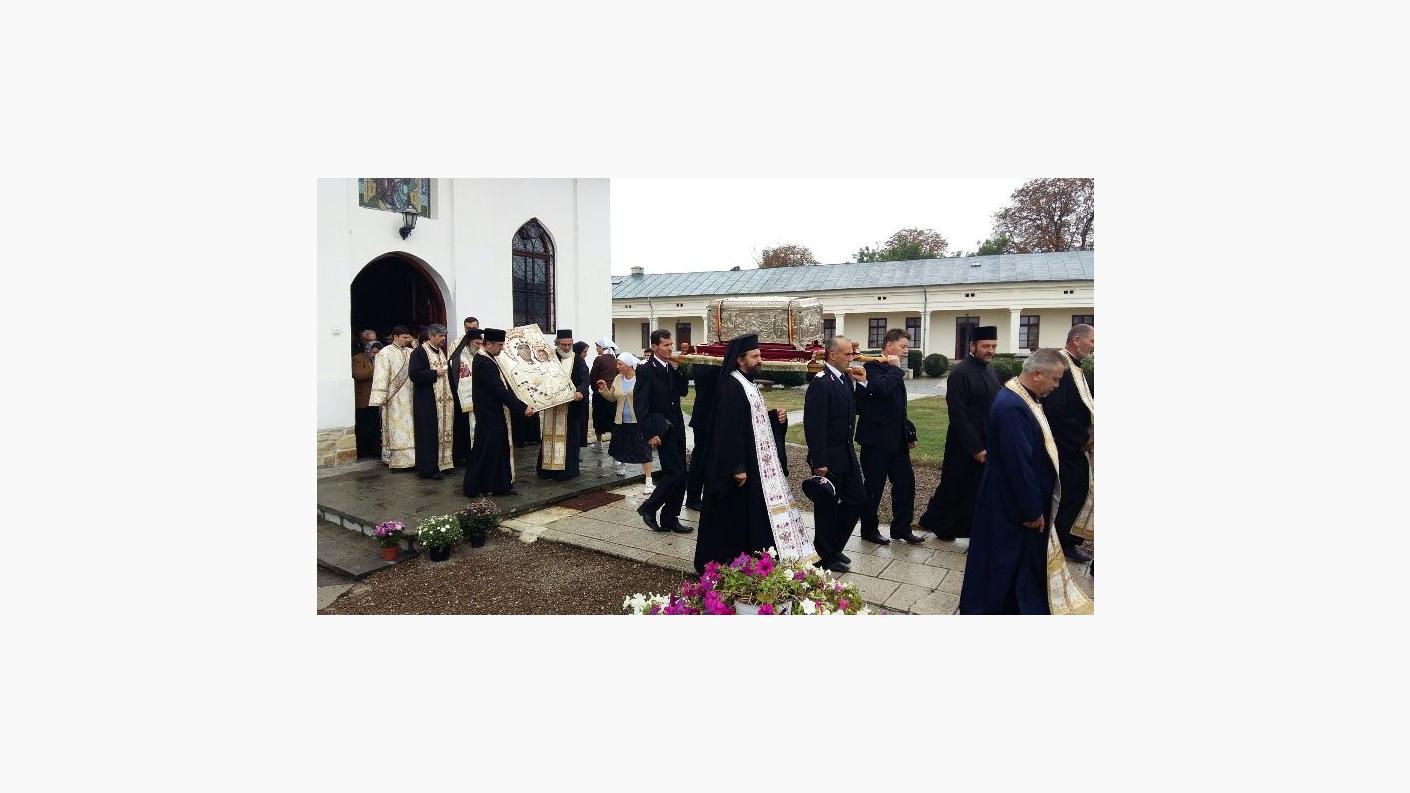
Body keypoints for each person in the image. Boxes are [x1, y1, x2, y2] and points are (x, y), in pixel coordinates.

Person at [960, 349, 1091, 615]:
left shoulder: (1020, 396)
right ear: (1036, 374)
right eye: (1055, 379)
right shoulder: (1013, 407)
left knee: (1013, 563)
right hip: (1012, 504)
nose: (1057, 386)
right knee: (1004, 563)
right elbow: (1018, 464)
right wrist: (1032, 510)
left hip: (1011, 498)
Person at [693, 334, 813, 574]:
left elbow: (750, 421)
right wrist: (737, 466)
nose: (760, 360)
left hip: (752, 462)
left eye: (760, 355)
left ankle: (751, 559)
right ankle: (727, 562)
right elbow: (728, 430)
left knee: (750, 515)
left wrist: (774, 418)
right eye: (755, 356)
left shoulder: (747, 383)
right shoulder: (731, 386)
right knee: (734, 518)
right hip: (739, 468)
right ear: (740, 359)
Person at [916, 325, 1002, 541]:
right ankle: (939, 524)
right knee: (954, 487)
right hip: (964, 443)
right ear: (973, 346)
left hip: (986, 439)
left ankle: (964, 529)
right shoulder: (960, 373)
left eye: (993, 346)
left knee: (974, 489)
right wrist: (976, 448)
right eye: (986, 346)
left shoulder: (990, 370)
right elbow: (958, 414)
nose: (990, 350)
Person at [804, 336, 869, 573]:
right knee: (827, 508)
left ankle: (833, 547)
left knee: (857, 500)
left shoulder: (845, 379)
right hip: (829, 457)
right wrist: (819, 460)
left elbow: (857, 409)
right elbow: (814, 425)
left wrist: (862, 383)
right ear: (832, 355)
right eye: (847, 354)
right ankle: (824, 556)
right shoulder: (822, 382)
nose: (851, 358)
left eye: (852, 353)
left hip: (846, 453)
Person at [855, 328, 924, 544]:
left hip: (897, 441)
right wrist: (895, 368)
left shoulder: (892, 369)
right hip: (875, 441)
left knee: (906, 484)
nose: (906, 351)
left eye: (907, 347)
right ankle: (869, 530)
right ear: (889, 346)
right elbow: (882, 389)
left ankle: (901, 528)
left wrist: (908, 431)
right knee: (874, 488)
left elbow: (894, 405)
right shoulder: (871, 367)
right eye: (903, 346)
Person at [463, 329, 537, 497]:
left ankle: (500, 486)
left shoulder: (486, 357)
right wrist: (522, 407)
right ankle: (474, 487)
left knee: (499, 449)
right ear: (488, 344)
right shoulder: (485, 362)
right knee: (486, 451)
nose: (502, 348)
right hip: (490, 415)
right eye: (500, 345)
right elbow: (499, 390)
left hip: (492, 413)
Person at [1045, 324, 1095, 562]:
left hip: (1074, 440)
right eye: (1092, 341)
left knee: (1077, 489)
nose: (1094, 346)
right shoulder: (1061, 365)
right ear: (1076, 340)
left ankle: (1065, 539)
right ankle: (1064, 541)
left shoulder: (1075, 364)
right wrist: (1084, 438)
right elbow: (1057, 410)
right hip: (1065, 442)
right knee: (1072, 490)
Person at [635, 329, 691, 533]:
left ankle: (670, 518)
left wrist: (678, 369)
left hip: (677, 427)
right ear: (654, 347)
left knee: (682, 473)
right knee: (675, 472)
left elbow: (683, 391)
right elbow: (641, 406)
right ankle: (649, 508)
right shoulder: (646, 370)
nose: (670, 348)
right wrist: (650, 433)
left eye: (671, 344)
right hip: (661, 429)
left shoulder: (670, 367)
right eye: (666, 345)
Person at [537, 330, 589, 481]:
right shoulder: (549, 358)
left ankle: (567, 471)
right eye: (563, 344)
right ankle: (547, 470)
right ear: (557, 344)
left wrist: (580, 391)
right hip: (552, 406)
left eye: (569, 345)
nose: (566, 348)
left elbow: (585, 379)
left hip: (571, 408)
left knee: (570, 439)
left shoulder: (577, 360)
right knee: (549, 437)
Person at [596, 352, 655, 482]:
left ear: (628, 365)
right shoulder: (618, 378)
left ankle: (648, 480)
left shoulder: (640, 378)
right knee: (622, 447)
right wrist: (604, 389)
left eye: (620, 364)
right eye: (617, 364)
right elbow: (612, 398)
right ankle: (622, 466)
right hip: (621, 421)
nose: (617, 367)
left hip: (638, 421)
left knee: (644, 451)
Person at [408, 323, 454, 479]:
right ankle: (429, 469)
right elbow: (414, 374)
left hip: (444, 402)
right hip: (427, 401)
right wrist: (435, 373)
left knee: (442, 433)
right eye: (440, 336)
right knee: (428, 435)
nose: (443, 339)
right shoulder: (419, 352)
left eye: (444, 336)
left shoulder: (440, 352)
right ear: (431, 336)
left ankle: (443, 464)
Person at [367, 325, 416, 469]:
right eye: (404, 337)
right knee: (397, 428)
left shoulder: (412, 352)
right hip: (394, 399)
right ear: (396, 336)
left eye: (408, 337)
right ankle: (397, 459)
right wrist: (380, 398)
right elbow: (380, 376)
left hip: (411, 396)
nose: (407, 340)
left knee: (412, 428)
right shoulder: (385, 353)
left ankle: (414, 458)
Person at [683, 361, 721, 511]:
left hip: (718, 418)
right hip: (704, 419)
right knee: (700, 460)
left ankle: (711, 496)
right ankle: (693, 498)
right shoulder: (702, 362)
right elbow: (704, 377)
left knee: (715, 459)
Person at [447, 317, 481, 466]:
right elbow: (451, 363)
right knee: (463, 425)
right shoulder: (456, 343)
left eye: (474, 328)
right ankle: (465, 454)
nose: (471, 331)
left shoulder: (482, 342)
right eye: (468, 328)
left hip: (480, 389)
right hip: (463, 390)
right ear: (464, 328)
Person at [352, 341, 383, 459]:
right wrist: (376, 368)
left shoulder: (379, 360)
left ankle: (375, 450)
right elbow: (358, 375)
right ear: (368, 350)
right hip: (363, 400)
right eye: (374, 352)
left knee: (375, 427)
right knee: (363, 427)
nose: (376, 355)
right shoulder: (358, 359)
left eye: (378, 353)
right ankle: (363, 451)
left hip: (375, 399)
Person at [589, 337, 619, 450]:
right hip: (612, 392)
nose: (596, 349)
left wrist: (595, 389)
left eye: (597, 347)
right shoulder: (614, 359)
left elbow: (593, 376)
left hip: (600, 392)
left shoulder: (599, 359)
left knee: (598, 418)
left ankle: (599, 442)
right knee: (612, 418)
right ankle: (614, 443)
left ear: (602, 347)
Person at [572, 341, 592, 448]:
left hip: (582, 396)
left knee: (583, 420)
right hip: (575, 396)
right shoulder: (575, 362)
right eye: (584, 352)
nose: (586, 354)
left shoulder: (581, 362)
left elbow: (586, 379)